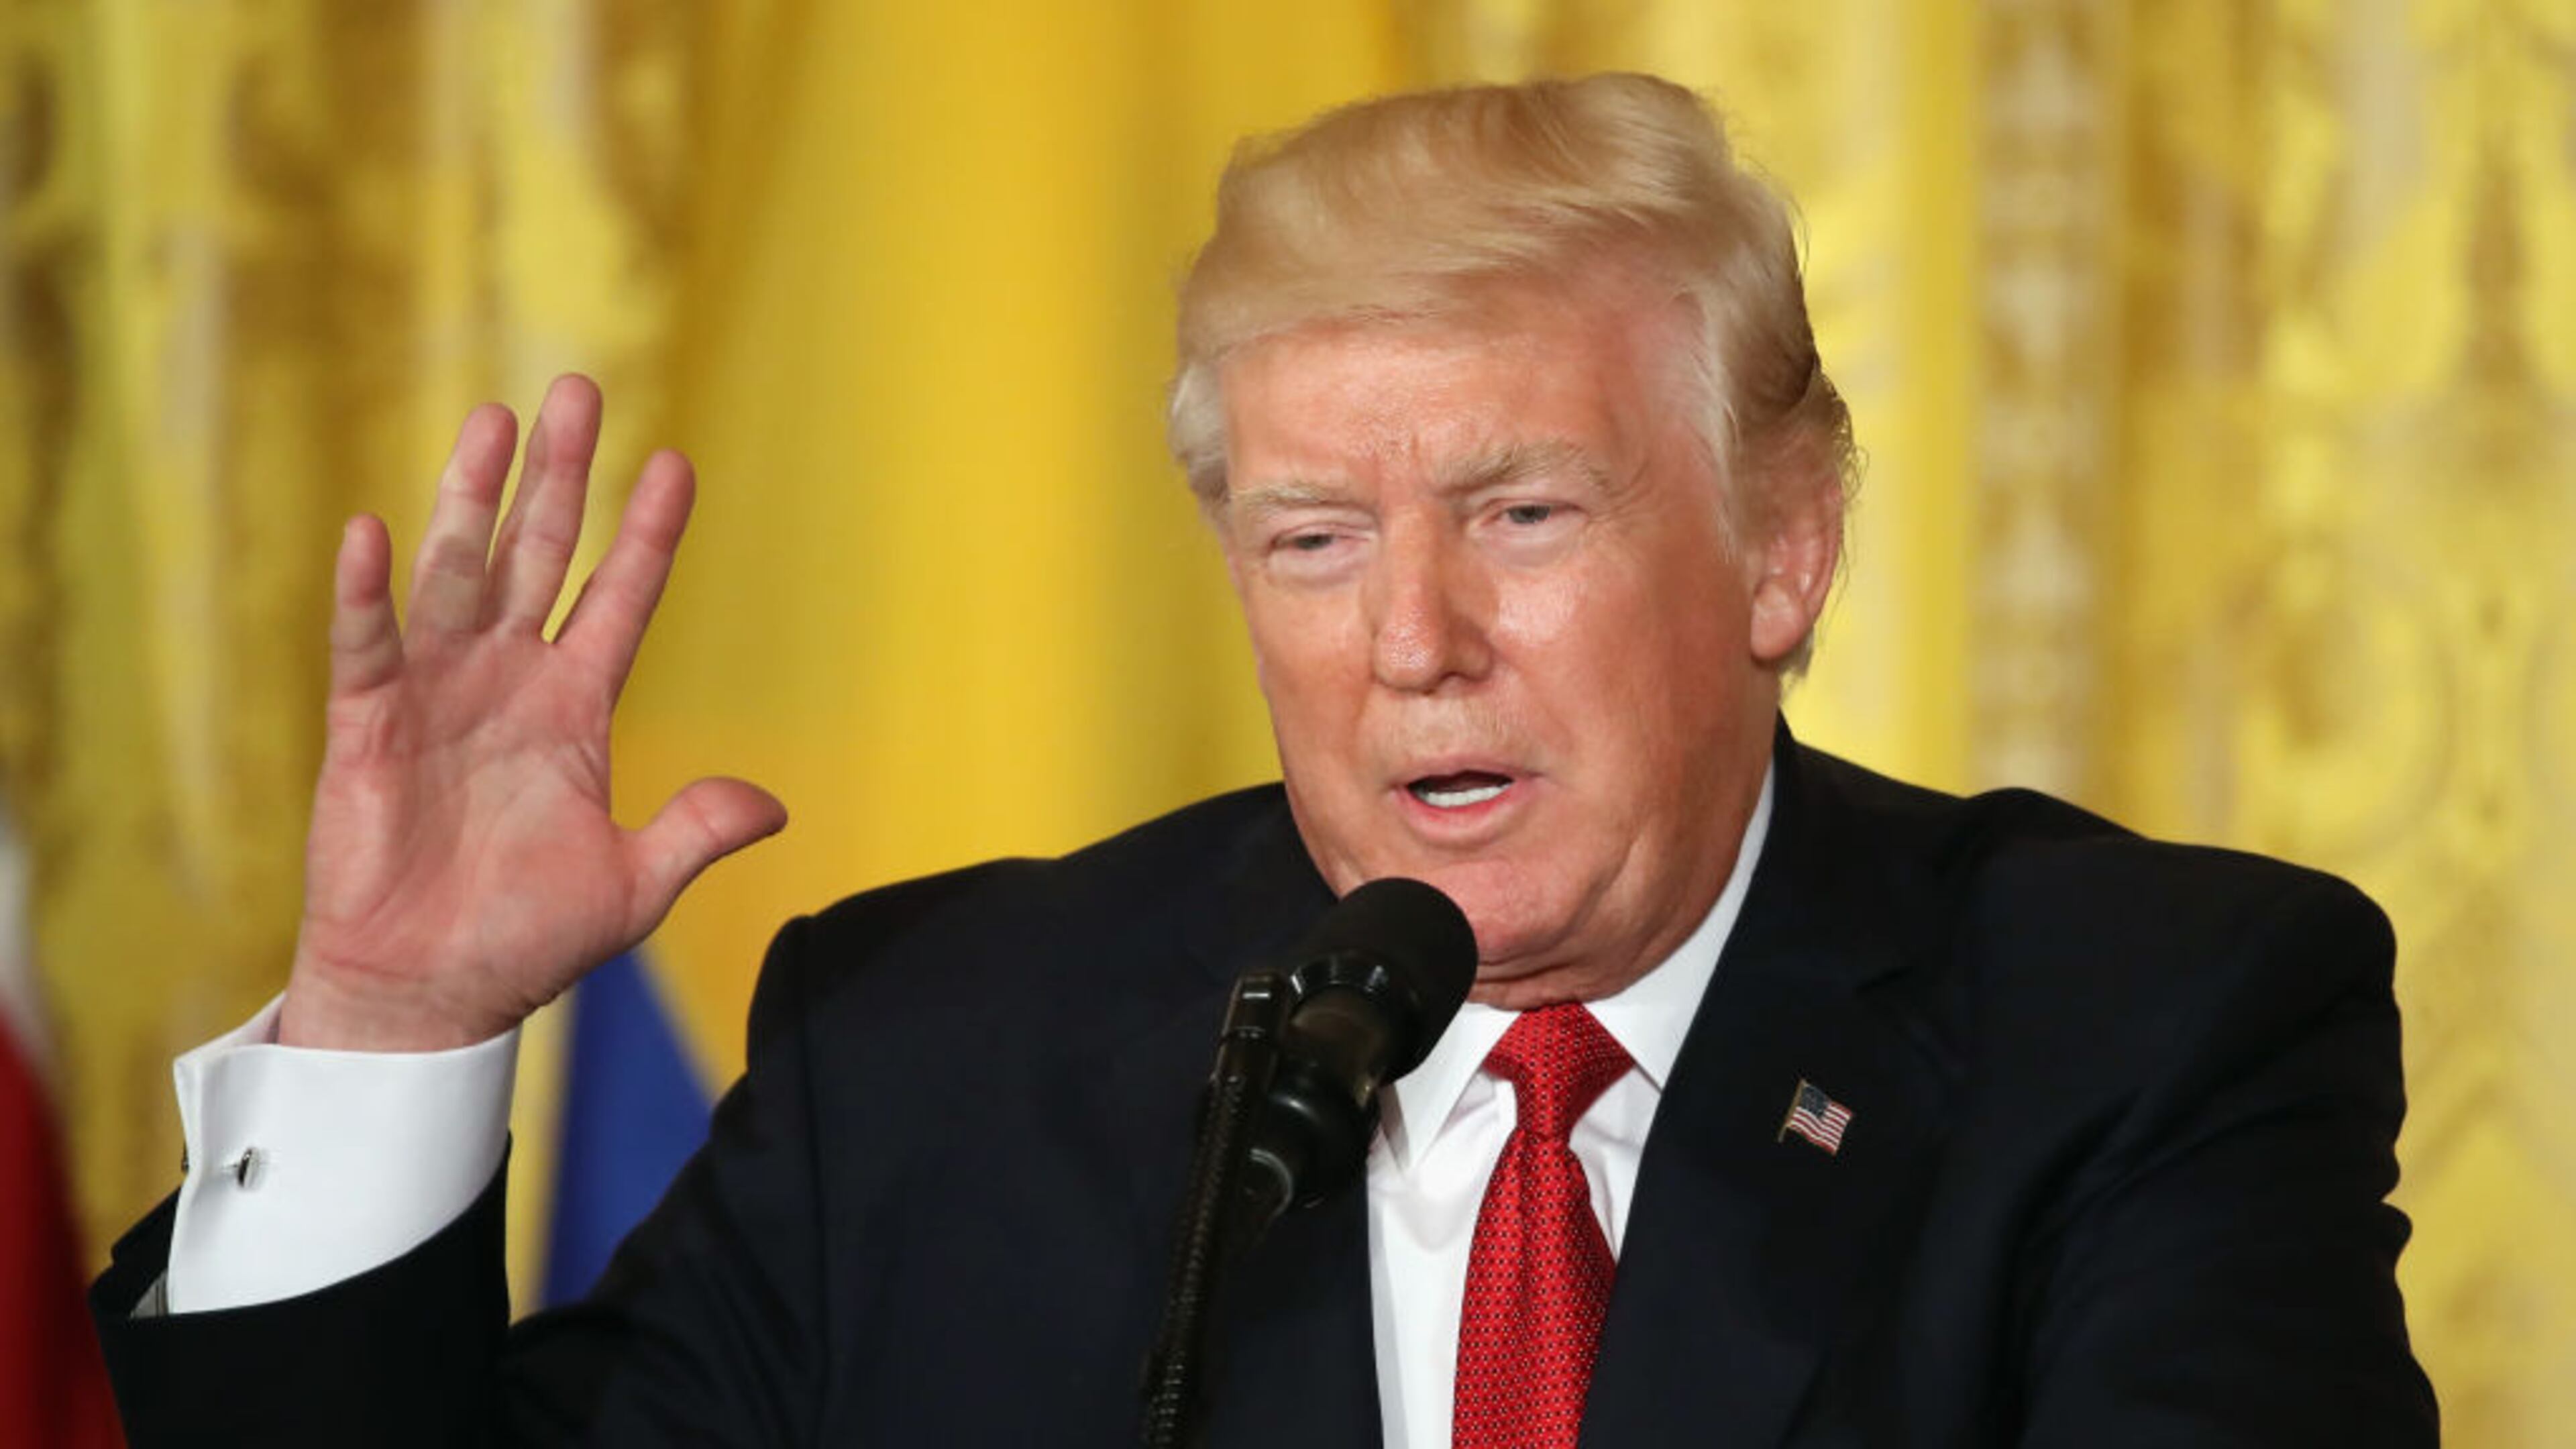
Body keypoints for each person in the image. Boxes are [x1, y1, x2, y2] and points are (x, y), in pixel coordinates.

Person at [90, 73, 2437, 1446]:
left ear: (1783, 546)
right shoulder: (938, 1059)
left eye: (1524, 516)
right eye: (1315, 538)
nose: (1413, 641)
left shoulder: (2146, 1027)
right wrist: (389, 1026)